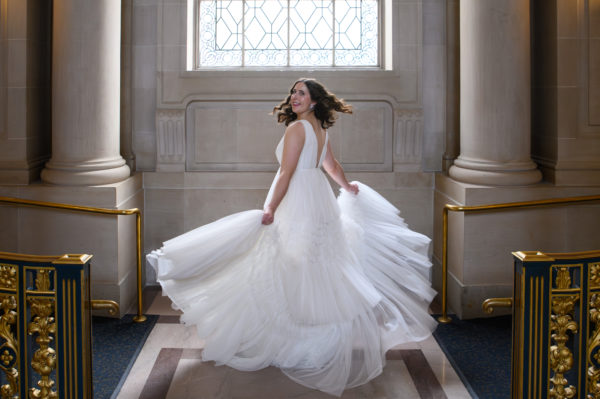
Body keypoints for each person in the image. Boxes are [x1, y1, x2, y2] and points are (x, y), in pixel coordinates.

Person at [147, 78, 437, 397]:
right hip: (318, 200)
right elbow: (331, 166)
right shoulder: (320, 130)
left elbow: (287, 172)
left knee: (289, 264)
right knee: (314, 267)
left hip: (299, 200)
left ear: (314, 101)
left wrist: (270, 206)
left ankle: (293, 341)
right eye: (293, 92)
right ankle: (313, 341)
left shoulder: (297, 129)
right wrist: (345, 185)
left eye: (301, 93)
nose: (294, 97)